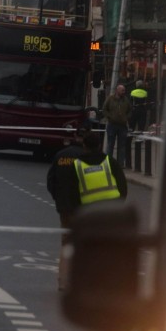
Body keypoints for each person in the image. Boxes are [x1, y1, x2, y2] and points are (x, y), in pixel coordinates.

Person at [46, 129, 127, 290]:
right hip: (101, 210)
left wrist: (60, 202)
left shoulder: (67, 158)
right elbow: (122, 186)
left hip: (69, 209)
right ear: (98, 144)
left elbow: (53, 183)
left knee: (67, 244)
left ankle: (63, 280)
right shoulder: (105, 161)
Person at [101, 83, 132, 167]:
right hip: (112, 125)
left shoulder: (125, 100)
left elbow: (130, 110)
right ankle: (108, 162)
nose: (123, 92)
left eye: (124, 90)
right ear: (117, 90)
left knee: (121, 145)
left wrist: (126, 117)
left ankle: (120, 163)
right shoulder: (110, 99)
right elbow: (104, 109)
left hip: (122, 126)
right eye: (122, 90)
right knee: (110, 144)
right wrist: (109, 117)